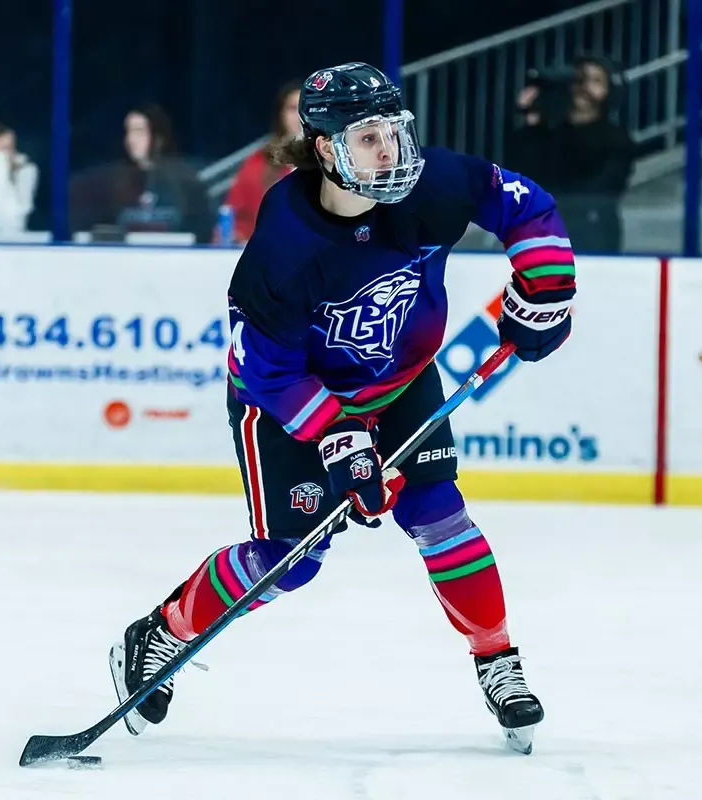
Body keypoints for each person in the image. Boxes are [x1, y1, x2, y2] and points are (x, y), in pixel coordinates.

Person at [106, 63, 576, 753]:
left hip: (402, 380)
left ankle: (497, 659)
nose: (388, 150)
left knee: (438, 514)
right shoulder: (286, 242)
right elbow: (263, 369)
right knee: (289, 560)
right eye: (366, 138)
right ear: (326, 149)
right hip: (289, 403)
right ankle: (162, 632)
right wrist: (340, 439)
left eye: (393, 131)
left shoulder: (432, 184)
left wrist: (546, 285)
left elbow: (525, 206)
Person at [504, 55, 633, 253]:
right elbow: (520, 176)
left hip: (593, 237)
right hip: (542, 238)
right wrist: (532, 120)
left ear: (610, 91)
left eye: (596, 81)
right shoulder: (548, 134)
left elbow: (606, 186)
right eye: (579, 79)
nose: (584, 87)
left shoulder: (616, 138)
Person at [69, 104, 212, 243]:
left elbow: (202, 231)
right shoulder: (111, 182)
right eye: (128, 132)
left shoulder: (184, 182)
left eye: (138, 132)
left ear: (158, 138)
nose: (131, 140)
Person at [222, 81, 301, 244]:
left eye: (306, 109)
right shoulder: (259, 161)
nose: (300, 116)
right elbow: (234, 218)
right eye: (293, 108)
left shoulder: (335, 161)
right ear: (281, 114)